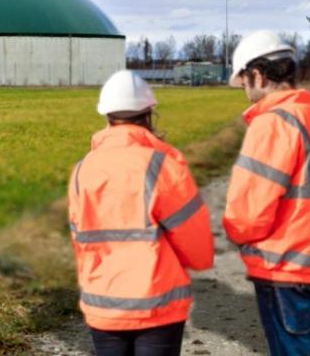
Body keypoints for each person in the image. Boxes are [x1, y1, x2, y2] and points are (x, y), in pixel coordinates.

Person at [224, 30, 310, 356]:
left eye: (244, 79)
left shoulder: (273, 124)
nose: (244, 88)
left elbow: (246, 214)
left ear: (257, 75)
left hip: (286, 273)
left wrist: (239, 236)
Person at [68, 70, 214, 356]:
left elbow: (80, 241)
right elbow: (197, 245)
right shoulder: (163, 166)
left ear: (107, 116)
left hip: (104, 305)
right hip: (157, 307)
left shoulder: (83, 170)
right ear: (148, 114)